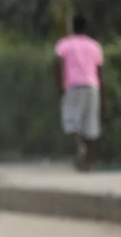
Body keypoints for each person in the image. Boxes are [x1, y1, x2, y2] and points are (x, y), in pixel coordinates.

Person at [54, 15, 106, 172]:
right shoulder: (94, 46)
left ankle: (79, 146)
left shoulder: (64, 44)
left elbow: (58, 64)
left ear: (72, 27)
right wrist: (103, 96)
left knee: (71, 121)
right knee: (91, 126)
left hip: (73, 86)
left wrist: (60, 85)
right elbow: (99, 72)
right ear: (86, 28)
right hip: (92, 87)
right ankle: (87, 164)